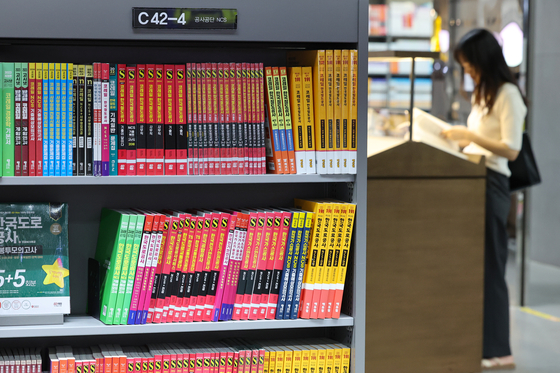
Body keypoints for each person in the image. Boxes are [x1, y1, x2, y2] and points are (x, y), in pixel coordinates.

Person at [441, 28, 527, 370]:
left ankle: (499, 349)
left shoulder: (508, 94)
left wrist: (469, 135)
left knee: (492, 268)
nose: (468, 71)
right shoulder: (484, 93)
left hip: (493, 184)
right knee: (478, 267)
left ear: (482, 60)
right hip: (474, 181)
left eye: (469, 64)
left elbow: (511, 147)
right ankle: (480, 343)